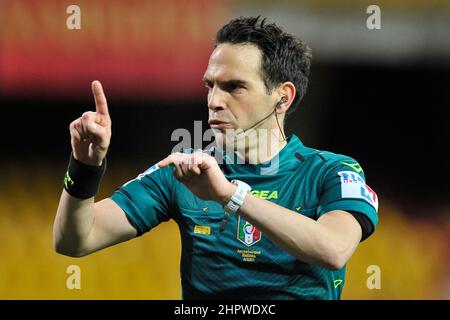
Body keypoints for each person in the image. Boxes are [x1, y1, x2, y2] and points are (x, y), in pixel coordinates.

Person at [53, 16, 378, 300]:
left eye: (234, 87)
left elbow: (334, 249)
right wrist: (85, 165)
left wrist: (230, 195)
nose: (214, 101)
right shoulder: (184, 171)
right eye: (211, 86)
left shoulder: (331, 172)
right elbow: (75, 240)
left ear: (283, 97)